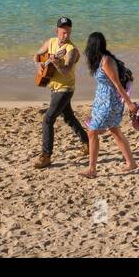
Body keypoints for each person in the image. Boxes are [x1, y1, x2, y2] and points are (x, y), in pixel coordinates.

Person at [78, 31, 138, 178]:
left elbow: (117, 85)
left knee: (92, 132)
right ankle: (131, 163)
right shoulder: (99, 60)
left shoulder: (106, 61)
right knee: (114, 130)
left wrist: (129, 103)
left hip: (110, 102)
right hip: (101, 101)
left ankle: (92, 169)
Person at [33, 16, 89, 170]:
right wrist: (39, 65)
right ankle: (87, 143)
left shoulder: (71, 50)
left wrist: (57, 62)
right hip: (54, 87)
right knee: (69, 117)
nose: (66, 36)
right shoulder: (50, 42)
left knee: (48, 119)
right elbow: (36, 56)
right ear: (56, 31)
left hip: (65, 89)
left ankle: (46, 156)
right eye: (63, 32)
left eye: (69, 33)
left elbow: (66, 71)